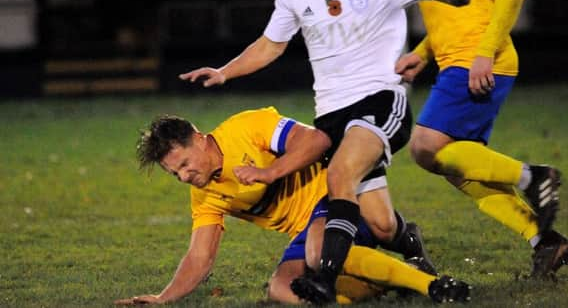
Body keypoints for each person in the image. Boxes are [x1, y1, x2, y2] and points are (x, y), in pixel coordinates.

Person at [180, 0, 470, 303]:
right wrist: (225, 71)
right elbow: (270, 45)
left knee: (338, 178)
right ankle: (412, 248)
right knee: (382, 225)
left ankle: (325, 280)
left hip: (380, 99)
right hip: (331, 114)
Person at [114, 108, 471, 305]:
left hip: (336, 195)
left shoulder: (246, 127)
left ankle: (429, 283)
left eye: (184, 163)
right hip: (304, 229)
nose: (183, 176)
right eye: (174, 173)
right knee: (282, 290)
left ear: (200, 139)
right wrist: (163, 299)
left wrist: (271, 172)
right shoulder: (205, 193)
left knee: (323, 250)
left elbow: (315, 141)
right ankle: (387, 287)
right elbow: (200, 258)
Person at [397, 0, 567, 279]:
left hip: (477, 62)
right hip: (458, 61)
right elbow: (454, 15)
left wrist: (484, 53)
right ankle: (544, 240)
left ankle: (534, 176)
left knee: (424, 148)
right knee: (462, 168)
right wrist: (421, 55)